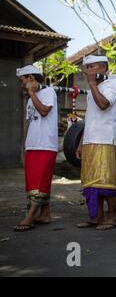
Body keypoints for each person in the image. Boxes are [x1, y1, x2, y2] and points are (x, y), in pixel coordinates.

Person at [76, 55, 116, 230]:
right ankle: (96, 217)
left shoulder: (113, 84)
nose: (89, 71)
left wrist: (92, 84)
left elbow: (103, 104)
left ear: (104, 68)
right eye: (87, 67)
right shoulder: (92, 88)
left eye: (92, 67)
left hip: (105, 139)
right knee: (90, 182)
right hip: (89, 140)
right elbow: (89, 118)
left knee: (106, 181)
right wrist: (81, 142)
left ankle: (112, 217)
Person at [14, 65, 58, 232]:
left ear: (31, 78)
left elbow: (45, 111)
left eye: (22, 80)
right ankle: (45, 214)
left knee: (41, 181)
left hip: (46, 144)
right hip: (32, 144)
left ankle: (30, 216)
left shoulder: (48, 92)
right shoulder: (30, 98)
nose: (21, 84)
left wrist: (32, 93)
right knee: (33, 181)